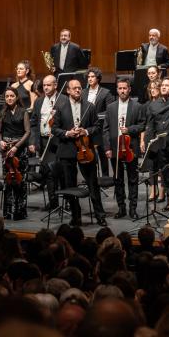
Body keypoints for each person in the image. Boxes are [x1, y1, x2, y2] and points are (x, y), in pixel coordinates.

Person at [52, 79, 105, 227]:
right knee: (70, 185)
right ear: (68, 91)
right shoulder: (60, 107)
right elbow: (54, 129)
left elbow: (97, 126)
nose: (77, 90)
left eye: (79, 88)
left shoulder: (90, 106)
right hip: (68, 150)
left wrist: (86, 131)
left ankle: (100, 215)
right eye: (74, 88)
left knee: (92, 184)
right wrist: (67, 133)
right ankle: (76, 216)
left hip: (86, 149)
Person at [103, 78, 144, 219]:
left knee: (133, 179)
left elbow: (141, 125)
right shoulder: (111, 107)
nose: (122, 91)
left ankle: (133, 208)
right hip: (115, 148)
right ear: (117, 90)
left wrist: (129, 130)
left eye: (124, 88)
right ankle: (121, 208)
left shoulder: (137, 106)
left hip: (130, 147)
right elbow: (106, 129)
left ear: (129, 89)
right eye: (120, 88)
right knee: (118, 179)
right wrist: (107, 148)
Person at [144, 77, 169, 204]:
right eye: (162, 85)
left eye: (167, 85)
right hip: (161, 144)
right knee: (165, 174)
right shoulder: (153, 105)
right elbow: (150, 126)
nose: (164, 87)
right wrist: (149, 143)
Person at [29, 75, 64, 211]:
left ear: (55, 85)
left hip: (59, 141)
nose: (46, 88)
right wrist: (33, 141)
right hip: (44, 141)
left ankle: (67, 201)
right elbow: (33, 123)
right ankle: (53, 201)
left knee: (61, 172)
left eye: (49, 85)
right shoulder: (39, 101)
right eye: (44, 85)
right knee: (48, 172)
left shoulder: (63, 100)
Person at [0, 88, 30, 220]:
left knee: (20, 181)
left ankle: (20, 212)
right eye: (7, 96)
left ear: (16, 97)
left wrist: (16, 147)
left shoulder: (23, 112)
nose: (9, 98)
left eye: (12, 96)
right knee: (8, 181)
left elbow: (27, 132)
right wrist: (0, 142)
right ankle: (8, 211)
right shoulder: (3, 112)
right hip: (6, 149)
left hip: (19, 148)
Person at [82, 67, 115, 177]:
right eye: (88, 77)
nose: (90, 79)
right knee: (88, 151)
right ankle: (90, 176)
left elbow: (110, 110)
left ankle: (105, 176)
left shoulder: (105, 92)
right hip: (87, 127)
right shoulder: (83, 92)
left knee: (102, 153)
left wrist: (97, 116)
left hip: (100, 128)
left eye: (92, 77)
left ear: (98, 78)